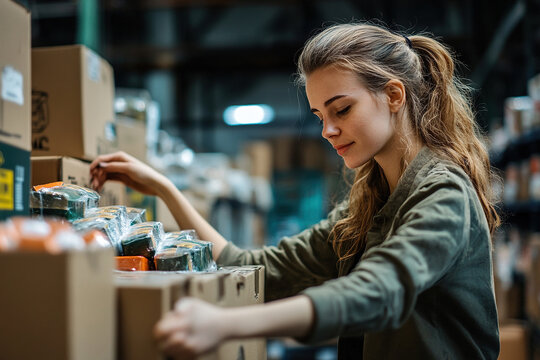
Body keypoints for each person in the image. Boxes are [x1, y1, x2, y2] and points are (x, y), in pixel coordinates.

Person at [90, 22, 501, 360]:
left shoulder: (444, 193)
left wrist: (226, 324)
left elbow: (377, 292)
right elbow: (256, 267)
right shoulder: (371, 204)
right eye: (320, 115)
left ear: (394, 95)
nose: (328, 130)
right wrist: (164, 189)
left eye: (342, 110)